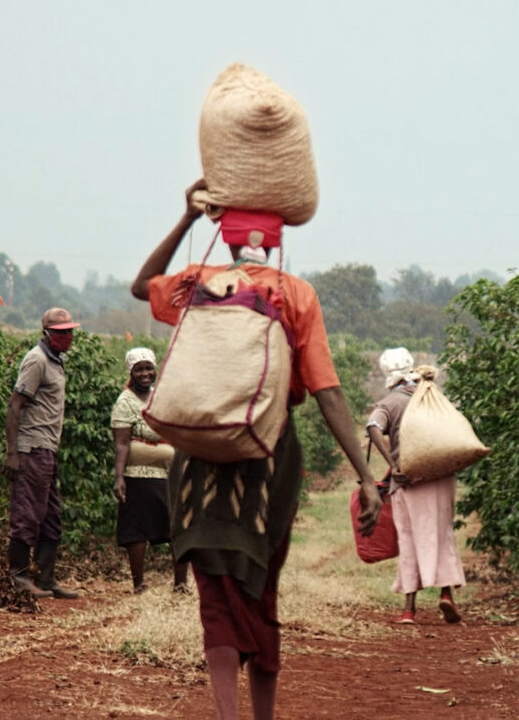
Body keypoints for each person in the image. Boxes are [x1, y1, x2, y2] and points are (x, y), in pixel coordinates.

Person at [132, 179, 382, 720]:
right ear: (273, 243)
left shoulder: (199, 283)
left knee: (215, 601)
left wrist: (184, 219)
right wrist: (365, 473)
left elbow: (141, 285)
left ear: (224, 240)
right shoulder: (295, 295)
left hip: (200, 460)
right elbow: (327, 391)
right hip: (270, 461)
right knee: (261, 593)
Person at [365, 348, 468, 624]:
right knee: (442, 533)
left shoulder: (390, 402)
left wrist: (393, 463)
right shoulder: (433, 396)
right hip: (441, 476)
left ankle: (409, 610)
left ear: (388, 374)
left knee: (409, 539)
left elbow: (373, 427)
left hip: (409, 481)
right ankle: (446, 595)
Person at [2, 306, 81, 599]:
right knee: (28, 514)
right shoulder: (36, 360)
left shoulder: (56, 362)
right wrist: (13, 453)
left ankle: (46, 579)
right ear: (46, 333)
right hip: (32, 448)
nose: (67, 336)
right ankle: (18, 579)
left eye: (70, 331)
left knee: (50, 517)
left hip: (47, 448)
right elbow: (14, 406)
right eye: (61, 332)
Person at [110, 345, 189, 593]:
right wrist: (119, 477)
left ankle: (181, 584)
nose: (144, 374)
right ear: (130, 372)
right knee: (137, 529)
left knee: (179, 526)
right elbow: (122, 442)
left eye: (148, 368)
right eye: (139, 370)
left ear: (155, 370)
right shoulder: (125, 402)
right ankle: (139, 584)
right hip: (138, 476)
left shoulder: (161, 396)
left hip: (168, 473)